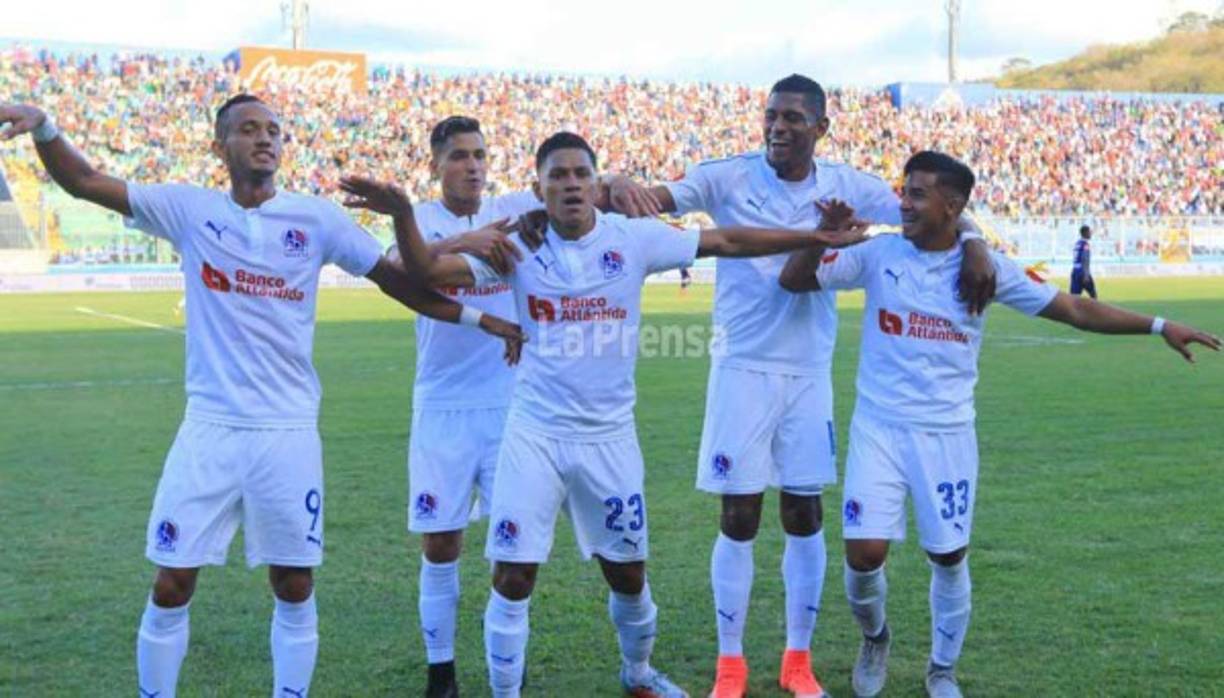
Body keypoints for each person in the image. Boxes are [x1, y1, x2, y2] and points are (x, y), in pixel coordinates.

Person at [0, 96, 523, 698]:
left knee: (294, 584)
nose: (265, 139)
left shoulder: (316, 220)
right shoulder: (188, 209)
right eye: (249, 129)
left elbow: (405, 286)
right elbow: (85, 181)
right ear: (219, 146)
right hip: (210, 428)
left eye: (274, 130)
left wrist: (484, 323)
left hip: (288, 432)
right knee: (171, 582)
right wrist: (45, 125)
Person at [339, 131, 868, 698]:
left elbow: (728, 241)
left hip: (610, 439)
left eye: (579, 174)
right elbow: (425, 272)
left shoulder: (634, 240)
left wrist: (812, 235)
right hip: (534, 436)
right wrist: (400, 214)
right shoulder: (518, 247)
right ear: (537, 189)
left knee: (629, 577)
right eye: (556, 176)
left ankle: (638, 672)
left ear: (596, 184)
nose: (569, 184)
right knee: (513, 576)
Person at [603, 74, 997, 698]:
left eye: (792, 118)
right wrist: (613, 184)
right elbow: (651, 199)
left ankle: (797, 661)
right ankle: (730, 667)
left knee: (804, 513)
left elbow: (931, 204)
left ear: (820, 128)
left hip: (809, 372)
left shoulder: (850, 187)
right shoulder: (724, 176)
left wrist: (973, 239)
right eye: (771, 116)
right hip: (740, 368)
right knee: (738, 516)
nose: (777, 127)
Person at [778, 151, 1219, 698]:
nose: (903, 203)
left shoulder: (991, 269)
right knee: (863, 557)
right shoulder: (878, 253)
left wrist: (1159, 325)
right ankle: (876, 636)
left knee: (948, 555)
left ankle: (942, 670)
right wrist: (821, 236)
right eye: (904, 191)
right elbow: (796, 282)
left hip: (948, 435)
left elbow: (1075, 310)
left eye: (917, 194)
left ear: (953, 206)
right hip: (879, 429)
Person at [400, 115, 543, 698]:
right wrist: (464, 241)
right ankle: (441, 669)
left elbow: (578, 192)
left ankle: (506, 661)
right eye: (459, 156)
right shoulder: (418, 221)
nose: (473, 165)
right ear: (434, 164)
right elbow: (404, 271)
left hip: (511, 405)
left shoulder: (512, 210)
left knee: (513, 545)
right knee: (442, 542)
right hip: (441, 406)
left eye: (480, 155)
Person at [1071, 224, 1097, 298]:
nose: (1090, 234)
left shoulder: (1077, 243)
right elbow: (1085, 259)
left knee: (1074, 297)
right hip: (1082, 272)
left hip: (1075, 271)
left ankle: (1073, 310)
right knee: (1093, 294)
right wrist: (1086, 275)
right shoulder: (1085, 245)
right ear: (1085, 233)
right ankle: (1093, 309)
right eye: (1089, 232)